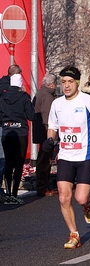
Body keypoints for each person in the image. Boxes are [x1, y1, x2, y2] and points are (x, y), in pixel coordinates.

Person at [44, 66, 90, 248]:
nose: (66, 86)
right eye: (63, 82)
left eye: (70, 82)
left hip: (85, 156)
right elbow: (53, 125)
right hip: (66, 155)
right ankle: (74, 234)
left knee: (80, 198)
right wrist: (50, 140)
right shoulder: (57, 104)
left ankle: (89, 202)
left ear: (77, 83)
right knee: (62, 197)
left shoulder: (88, 101)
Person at [0, 73, 35, 204]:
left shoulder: (3, 97)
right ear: (20, 84)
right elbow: (31, 115)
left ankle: (8, 193)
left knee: (8, 162)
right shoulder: (25, 97)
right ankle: (15, 194)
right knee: (19, 163)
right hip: (21, 132)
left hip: (7, 132)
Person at [32, 73, 58, 197]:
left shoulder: (40, 93)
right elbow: (48, 117)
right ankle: (43, 187)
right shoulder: (48, 96)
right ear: (52, 84)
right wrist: (51, 135)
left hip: (40, 131)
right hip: (45, 132)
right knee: (45, 160)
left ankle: (43, 185)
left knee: (42, 160)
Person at [0, 65, 22, 203]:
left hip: (5, 126)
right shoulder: (6, 89)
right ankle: (8, 192)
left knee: (5, 160)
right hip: (6, 126)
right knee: (4, 160)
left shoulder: (4, 86)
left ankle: (6, 191)